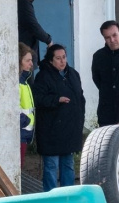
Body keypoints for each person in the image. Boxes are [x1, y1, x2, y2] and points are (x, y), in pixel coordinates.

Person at [32, 44, 85, 192]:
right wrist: (56, 100)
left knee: (68, 163)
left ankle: (68, 194)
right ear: (50, 61)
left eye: (64, 57)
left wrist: (80, 118)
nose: (62, 61)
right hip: (51, 129)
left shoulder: (73, 74)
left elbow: (80, 98)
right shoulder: (43, 76)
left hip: (70, 128)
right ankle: (50, 196)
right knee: (51, 165)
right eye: (58, 58)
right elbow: (38, 99)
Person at [91, 20, 119, 127]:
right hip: (107, 113)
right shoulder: (98, 56)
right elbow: (98, 81)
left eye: (114, 35)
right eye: (107, 37)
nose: (112, 40)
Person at [19, 43, 36, 167]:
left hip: (24, 135)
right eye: (28, 60)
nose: (31, 64)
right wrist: (26, 121)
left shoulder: (24, 82)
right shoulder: (17, 83)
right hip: (19, 135)